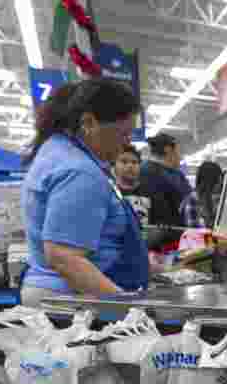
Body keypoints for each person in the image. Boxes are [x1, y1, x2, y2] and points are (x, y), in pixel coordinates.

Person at [20, 79, 149, 308]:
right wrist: (129, 307)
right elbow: (64, 258)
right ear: (89, 122)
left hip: (62, 293)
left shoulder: (57, 152)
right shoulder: (80, 171)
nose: (127, 143)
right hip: (71, 300)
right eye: (124, 134)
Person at [139, 132, 192, 229]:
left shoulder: (141, 170)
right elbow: (189, 203)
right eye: (178, 151)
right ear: (168, 150)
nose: (180, 157)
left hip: (147, 234)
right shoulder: (172, 176)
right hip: (171, 236)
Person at [113, 145, 150, 228]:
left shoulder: (150, 192)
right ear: (114, 165)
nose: (130, 166)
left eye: (134, 162)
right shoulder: (109, 191)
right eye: (124, 162)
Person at [182, 161, 224, 229]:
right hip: (198, 238)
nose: (221, 183)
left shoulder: (211, 198)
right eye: (219, 179)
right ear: (211, 180)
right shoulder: (193, 199)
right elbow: (195, 231)